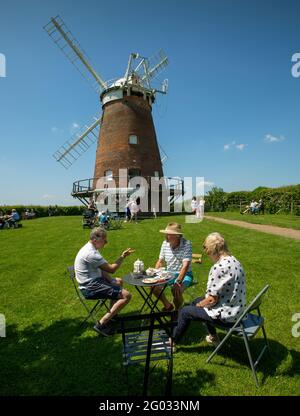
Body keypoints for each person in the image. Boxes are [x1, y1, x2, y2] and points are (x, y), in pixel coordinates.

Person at [172, 232, 246, 347]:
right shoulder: (234, 260)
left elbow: (211, 300)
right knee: (196, 301)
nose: (204, 251)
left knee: (185, 311)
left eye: (205, 247)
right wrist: (199, 303)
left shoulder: (218, 268)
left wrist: (198, 306)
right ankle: (213, 337)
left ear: (213, 249)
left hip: (227, 315)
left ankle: (172, 343)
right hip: (238, 310)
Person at [74, 227, 134, 336]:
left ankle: (112, 315)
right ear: (95, 239)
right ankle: (101, 324)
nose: (106, 243)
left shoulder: (90, 249)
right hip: (89, 287)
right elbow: (111, 269)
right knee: (127, 296)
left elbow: (100, 269)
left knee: (118, 281)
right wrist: (122, 257)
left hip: (92, 281)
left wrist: (111, 281)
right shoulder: (90, 253)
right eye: (104, 240)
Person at [152, 223, 193, 311]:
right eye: (166, 234)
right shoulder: (165, 243)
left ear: (177, 236)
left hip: (185, 274)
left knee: (176, 290)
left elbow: (185, 266)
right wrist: (154, 274)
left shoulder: (186, 244)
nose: (166, 236)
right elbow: (160, 261)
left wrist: (178, 282)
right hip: (169, 274)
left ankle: (177, 311)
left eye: (168, 234)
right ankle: (168, 305)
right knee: (153, 286)